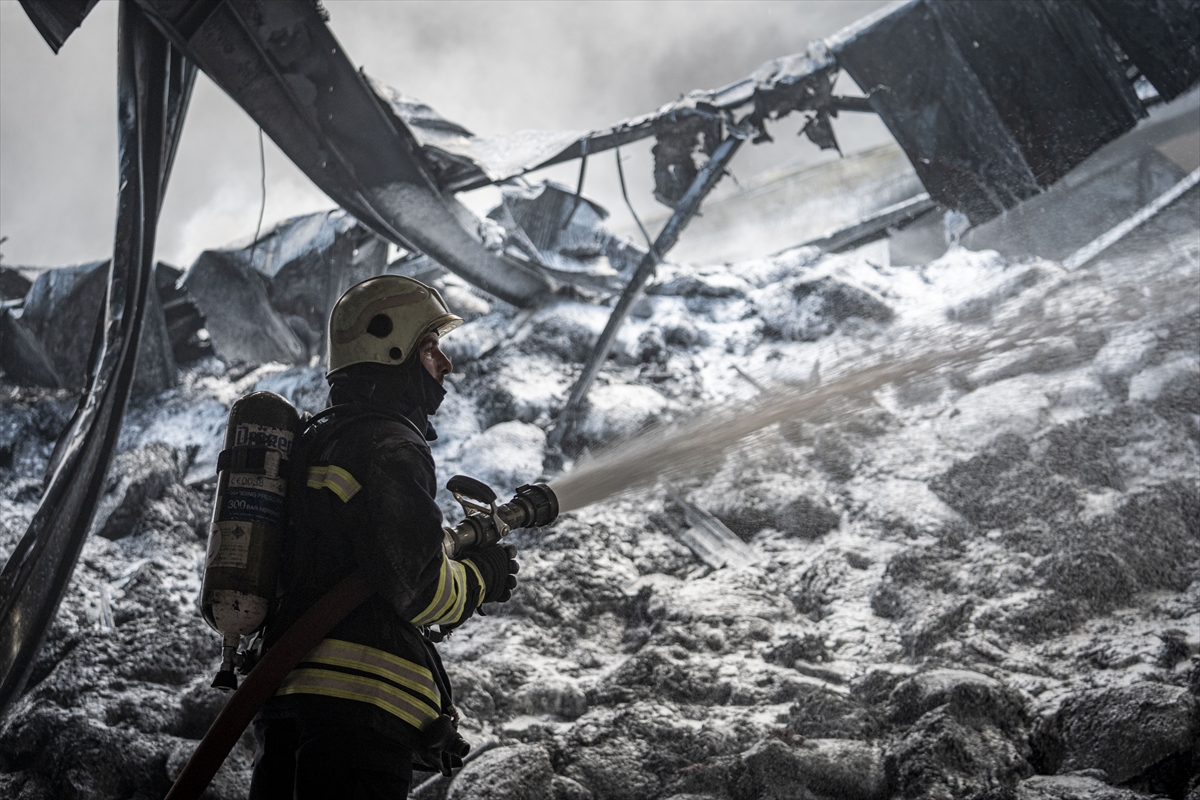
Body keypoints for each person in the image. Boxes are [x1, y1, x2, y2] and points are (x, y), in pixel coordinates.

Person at [248, 275, 520, 799]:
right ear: (390, 348)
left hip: (286, 698)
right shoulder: (389, 444)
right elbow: (422, 590)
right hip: (360, 708)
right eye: (430, 347)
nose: (445, 364)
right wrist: (483, 577)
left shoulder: (319, 441)